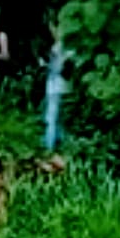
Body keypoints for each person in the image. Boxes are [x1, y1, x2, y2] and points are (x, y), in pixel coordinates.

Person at [44, 23, 69, 153]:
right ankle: (62, 147)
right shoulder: (60, 47)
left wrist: (48, 65)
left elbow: (59, 68)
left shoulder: (61, 48)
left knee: (51, 118)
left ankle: (49, 148)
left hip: (57, 86)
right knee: (59, 119)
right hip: (57, 86)